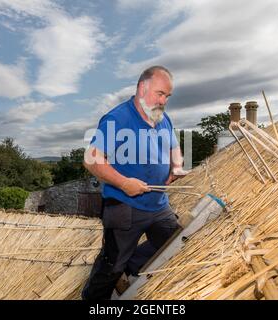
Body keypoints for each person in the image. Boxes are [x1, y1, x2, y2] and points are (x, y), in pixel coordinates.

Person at [81, 66, 189, 300]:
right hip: (123, 206)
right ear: (142, 88)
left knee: (175, 242)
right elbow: (91, 159)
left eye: (167, 97)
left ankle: (132, 264)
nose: (164, 101)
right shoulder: (118, 118)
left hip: (158, 205)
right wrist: (123, 183)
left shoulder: (162, 118)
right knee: (111, 266)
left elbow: (174, 146)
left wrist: (176, 166)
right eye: (160, 94)